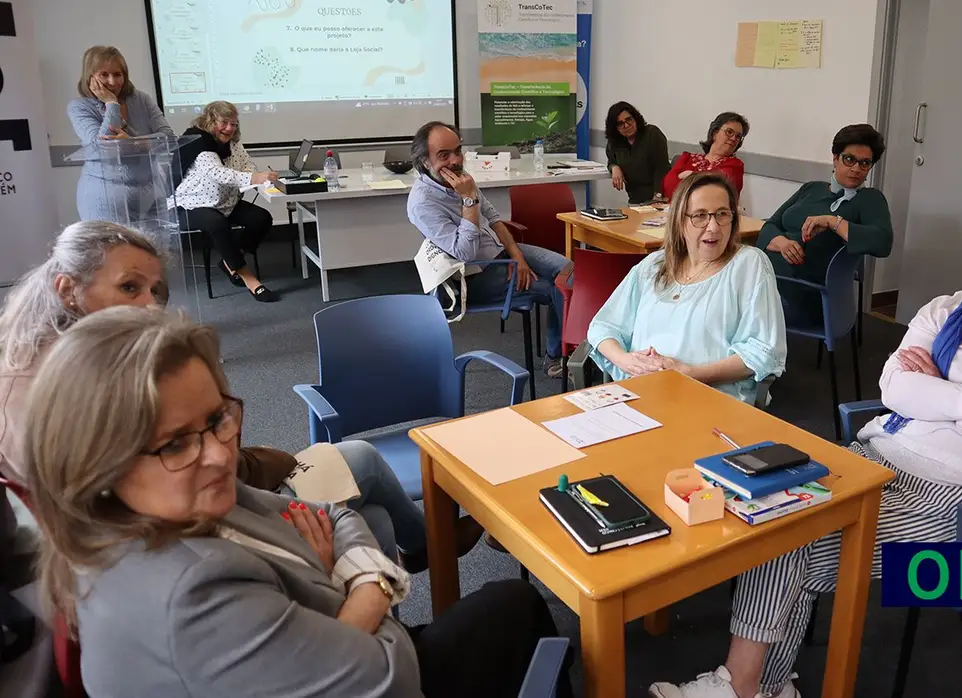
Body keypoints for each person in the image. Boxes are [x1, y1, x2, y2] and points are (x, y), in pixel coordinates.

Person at [649, 186, 962, 698]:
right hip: (874, 458)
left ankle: (743, 686)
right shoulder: (945, 310)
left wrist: (940, 393)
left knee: (783, 543)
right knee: (763, 517)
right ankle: (762, 687)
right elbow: (895, 387)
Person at [22, 306, 571, 697]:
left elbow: (333, 513)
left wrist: (345, 576)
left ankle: (432, 547)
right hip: (381, 662)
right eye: (175, 443)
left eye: (217, 420)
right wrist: (364, 585)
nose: (217, 454)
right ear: (97, 465)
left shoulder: (183, 500)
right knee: (516, 609)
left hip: (335, 637)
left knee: (504, 600)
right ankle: (435, 545)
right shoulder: (186, 597)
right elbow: (391, 674)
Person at [0, 221, 481, 573]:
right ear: (68, 290)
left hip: (185, 520)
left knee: (371, 515)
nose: (150, 305)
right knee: (362, 462)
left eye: (155, 290)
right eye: (129, 288)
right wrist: (272, 464)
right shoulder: (69, 387)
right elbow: (182, 474)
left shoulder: (46, 360)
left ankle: (390, 607)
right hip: (187, 534)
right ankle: (429, 550)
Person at [587, 172, 786, 406]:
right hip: (638, 394)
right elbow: (603, 326)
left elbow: (762, 352)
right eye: (700, 216)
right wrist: (626, 361)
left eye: (722, 214)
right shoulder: (653, 265)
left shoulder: (749, 264)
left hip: (709, 399)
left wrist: (689, 373)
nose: (713, 227)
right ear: (680, 222)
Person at [407, 121, 571, 378]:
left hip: (500, 253)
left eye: (457, 151)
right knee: (554, 289)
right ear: (425, 162)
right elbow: (465, 253)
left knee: (567, 270)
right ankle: (558, 359)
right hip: (473, 274)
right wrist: (469, 199)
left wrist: (518, 257)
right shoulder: (422, 203)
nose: (455, 160)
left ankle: (575, 345)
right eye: (443, 155)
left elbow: (495, 220)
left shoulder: (463, 181)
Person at [757, 124, 893, 325]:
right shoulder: (812, 188)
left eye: (865, 163)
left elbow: (883, 243)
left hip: (807, 293)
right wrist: (782, 243)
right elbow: (770, 224)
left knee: (730, 299)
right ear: (835, 158)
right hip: (772, 280)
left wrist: (833, 222)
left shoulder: (869, 199)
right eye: (849, 159)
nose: (856, 168)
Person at [173, 101, 279, 302]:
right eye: (224, 122)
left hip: (225, 202)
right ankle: (250, 279)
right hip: (193, 203)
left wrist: (255, 175)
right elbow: (218, 174)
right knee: (216, 224)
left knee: (261, 218)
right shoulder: (199, 142)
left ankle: (230, 263)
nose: (229, 128)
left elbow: (248, 165)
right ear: (211, 121)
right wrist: (254, 178)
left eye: (234, 124)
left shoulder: (234, 143)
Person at [68, 46, 176, 222]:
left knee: (158, 248)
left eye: (118, 74)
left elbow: (169, 138)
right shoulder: (79, 107)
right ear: (90, 76)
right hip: (105, 198)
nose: (112, 82)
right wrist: (111, 103)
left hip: (150, 193)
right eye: (104, 74)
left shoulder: (141, 99)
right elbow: (104, 148)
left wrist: (135, 143)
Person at [662, 112, 749, 200]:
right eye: (729, 132)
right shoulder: (686, 158)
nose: (733, 138)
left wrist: (691, 175)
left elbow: (716, 195)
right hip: (676, 211)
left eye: (738, 136)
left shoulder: (735, 165)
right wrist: (701, 182)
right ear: (715, 133)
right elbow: (669, 187)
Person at [605, 101, 671, 205]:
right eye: (620, 124)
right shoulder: (615, 142)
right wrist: (614, 167)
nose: (626, 125)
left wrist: (658, 196)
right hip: (634, 200)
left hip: (657, 198)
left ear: (635, 118)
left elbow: (662, 167)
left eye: (629, 119)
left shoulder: (652, 134)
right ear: (615, 128)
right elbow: (611, 160)